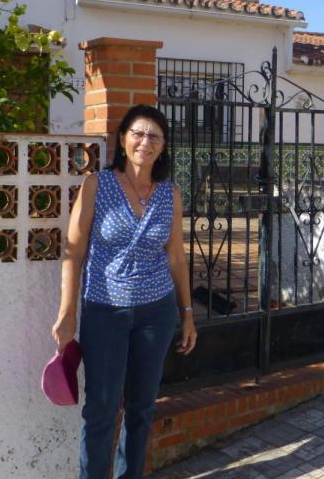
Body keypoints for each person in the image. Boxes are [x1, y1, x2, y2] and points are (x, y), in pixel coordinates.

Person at [52, 104, 197, 479]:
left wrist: (187, 313)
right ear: (122, 138)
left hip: (157, 313)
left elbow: (177, 257)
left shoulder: (170, 194)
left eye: (154, 136)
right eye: (138, 133)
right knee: (100, 409)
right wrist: (68, 312)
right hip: (105, 312)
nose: (145, 142)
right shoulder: (96, 185)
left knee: (141, 408)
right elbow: (73, 252)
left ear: (163, 146)